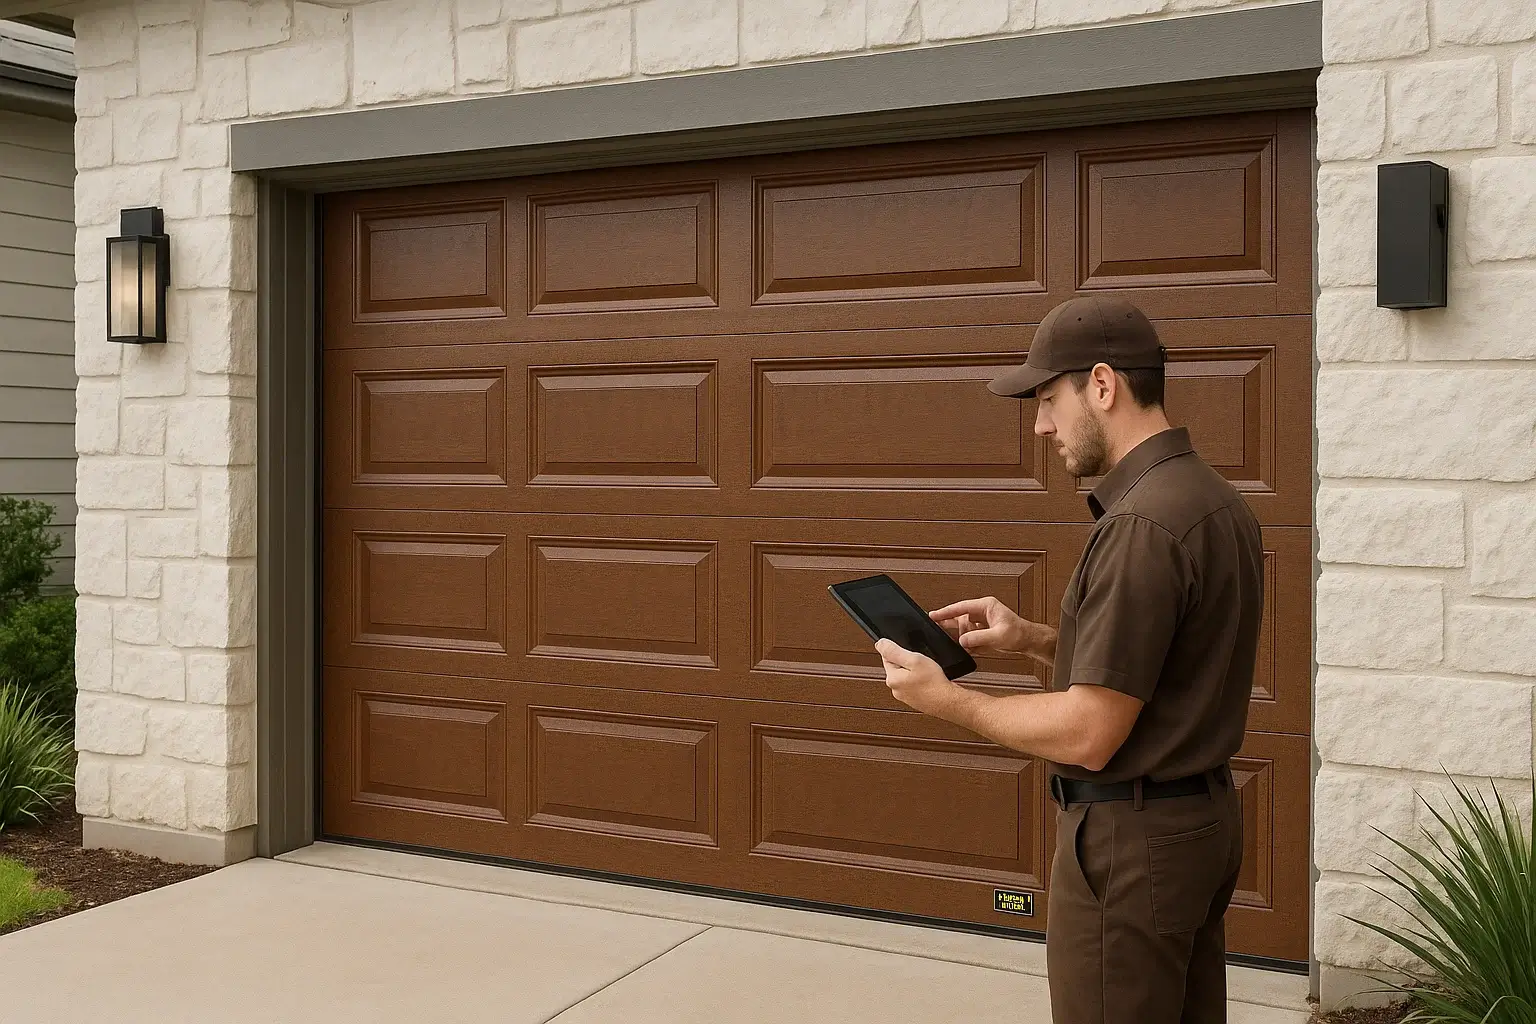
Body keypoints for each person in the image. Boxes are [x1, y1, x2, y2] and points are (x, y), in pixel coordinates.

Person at [875, 295, 1264, 1024]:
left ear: (1104, 384)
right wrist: (1035, 640)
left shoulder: (1143, 524)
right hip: (1196, 829)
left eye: (1049, 398)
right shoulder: (1211, 499)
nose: (1041, 423)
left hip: (1131, 849)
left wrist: (947, 700)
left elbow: (1091, 730)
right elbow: (1169, 665)